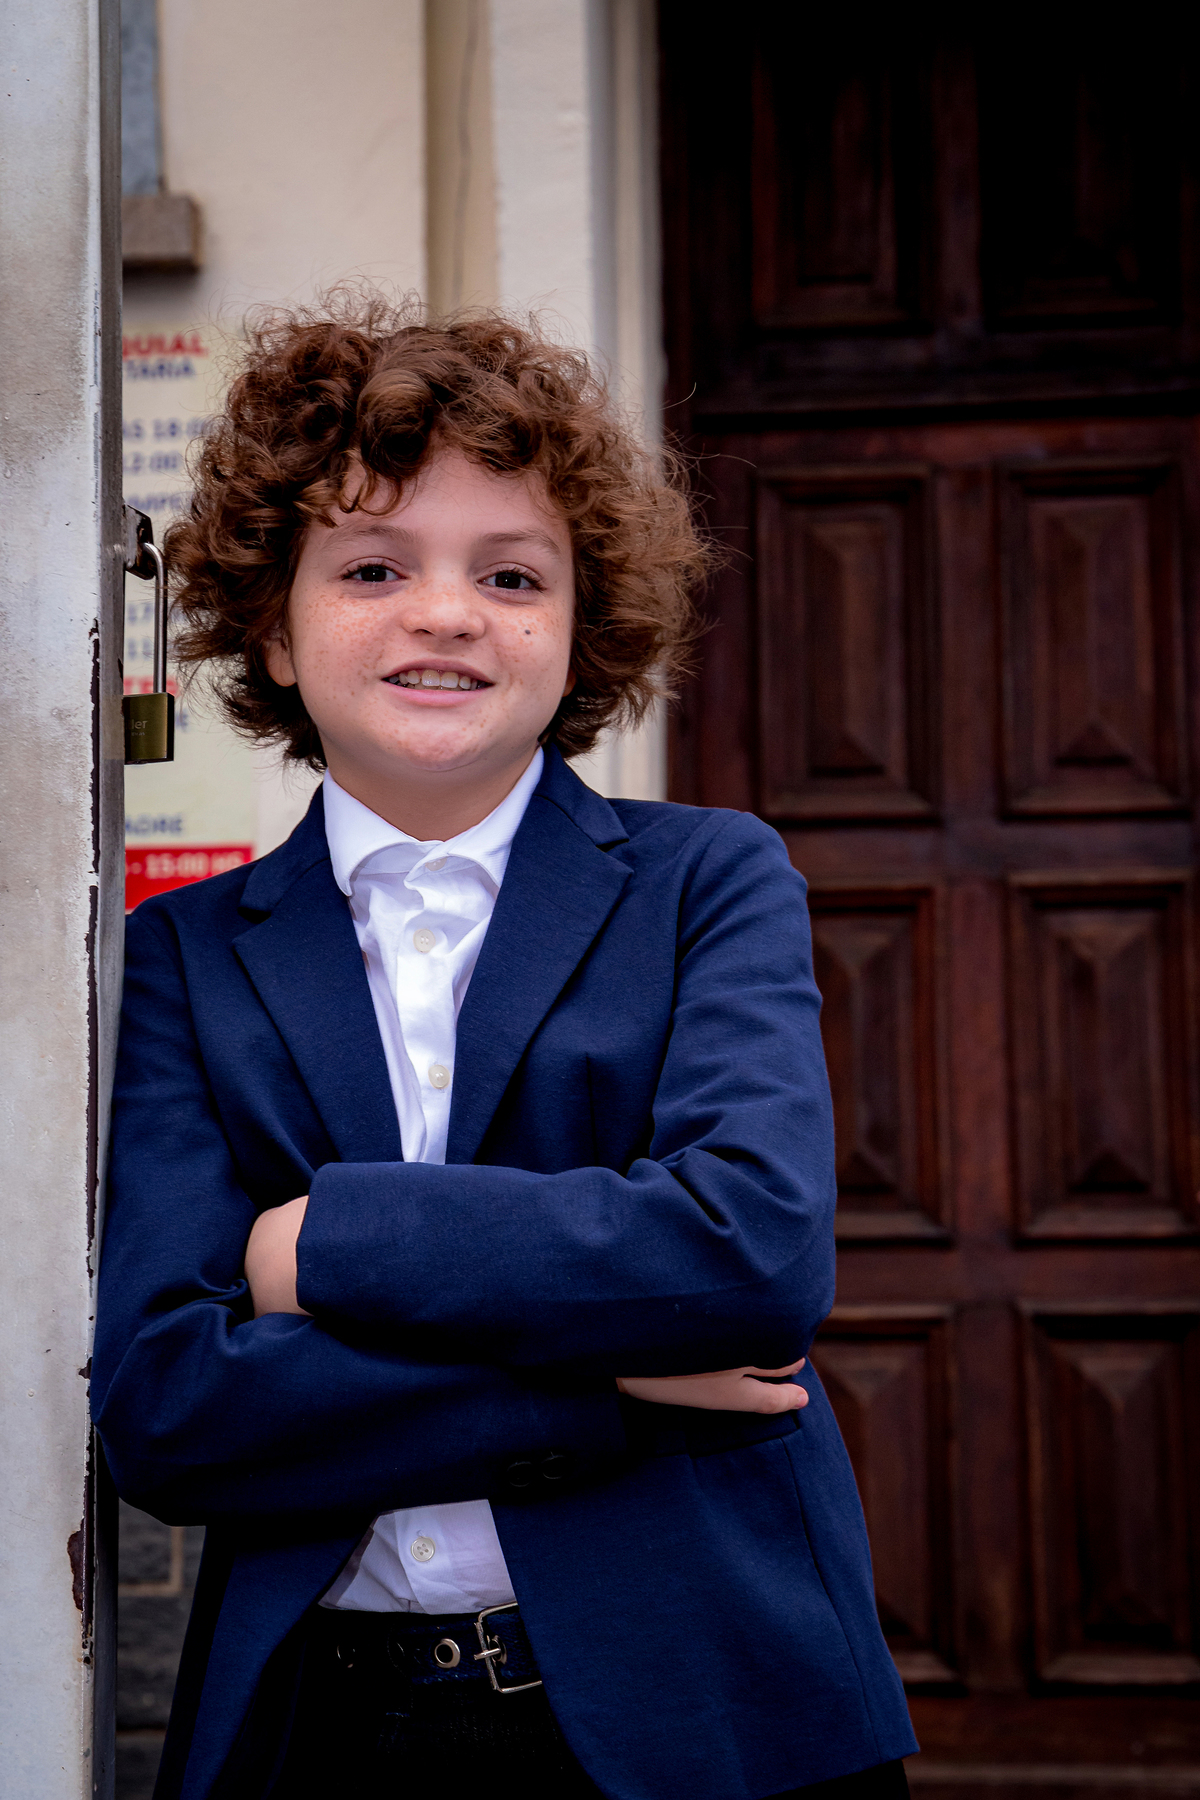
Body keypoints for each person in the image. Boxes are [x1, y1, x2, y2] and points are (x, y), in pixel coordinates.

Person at [94, 299, 917, 1800]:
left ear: (578, 625)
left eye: (511, 573)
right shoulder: (182, 959)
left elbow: (750, 1254)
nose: (447, 611)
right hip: (324, 1729)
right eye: (373, 566)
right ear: (272, 627)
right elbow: (170, 1412)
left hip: (714, 1708)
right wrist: (608, 1388)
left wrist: (322, 1243)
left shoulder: (710, 880)